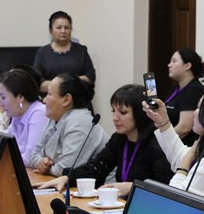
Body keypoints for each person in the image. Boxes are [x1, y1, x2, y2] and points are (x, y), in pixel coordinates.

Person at [35, 84, 172, 197]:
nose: (115, 118)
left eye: (123, 112)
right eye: (113, 111)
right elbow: (96, 168)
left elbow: (165, 187)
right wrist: (66, 178)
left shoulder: (158, 144)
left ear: (140, 114)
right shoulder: (119, 139)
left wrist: (133, 187)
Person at [144, 85, 204, 200]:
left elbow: (177, 198)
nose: (195, 112)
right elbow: (179, 156)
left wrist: (185, 163)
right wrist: (163, 123)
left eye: (199, 108)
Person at [30, 73, 107, 176]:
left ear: (66, 99)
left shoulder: (79, 121)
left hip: (101, 184)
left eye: (49, 94)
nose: (44, 100)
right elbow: (34, 154)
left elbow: (66, 169)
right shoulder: (55, 117)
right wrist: (41, 162)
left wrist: (46, 168)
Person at [0, 68, 49, 167]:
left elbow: (29, 159)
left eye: (3, 97)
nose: (0, 104)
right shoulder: (18, 114)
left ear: (20, 97)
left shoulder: (39, 113)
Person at [33, 11, 96, 95]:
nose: (63, 31)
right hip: (51, 99)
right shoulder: (42, 53)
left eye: (67, 27)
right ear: (51, 30)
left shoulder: (81, 50)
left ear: (71, 30)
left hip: (78, 98)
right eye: (58, 27)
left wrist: (59, 84)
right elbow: (38, 82)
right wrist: (67, 84)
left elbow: (90, 77)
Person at [161, 48, 204, 146]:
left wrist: (160, 142)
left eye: (174, 61)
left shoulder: (194, 90)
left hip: (183, 146)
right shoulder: (176, 88)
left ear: (187, 66)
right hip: (170, 143)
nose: (169, 65)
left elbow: (184, 128)